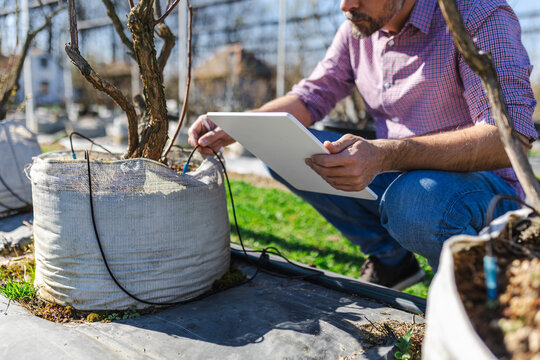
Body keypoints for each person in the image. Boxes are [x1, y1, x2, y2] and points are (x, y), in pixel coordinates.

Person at [188, 0, 537, 289]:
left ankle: (476, 296)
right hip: (399, 170)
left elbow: (510, 138)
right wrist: (242, 124)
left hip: (483, 187)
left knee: (415, 200)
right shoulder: (358, 29)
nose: (345, 5)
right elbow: (311, 97)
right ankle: (392, 262)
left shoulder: (475, 15)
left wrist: (384, 154)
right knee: (284, 149)